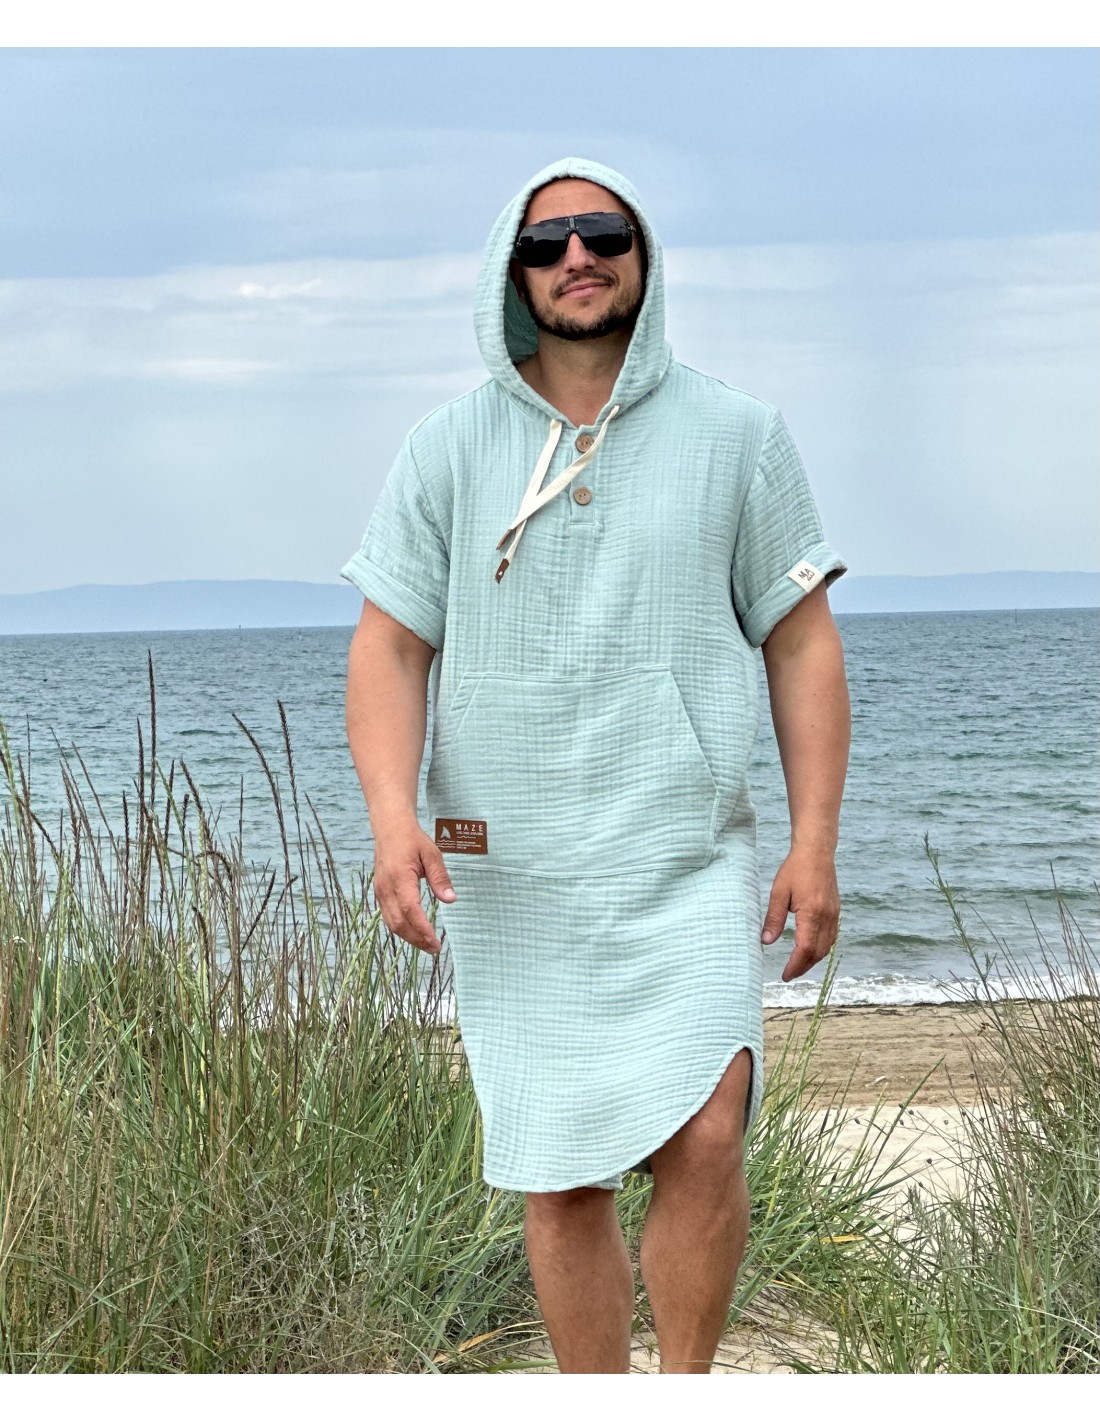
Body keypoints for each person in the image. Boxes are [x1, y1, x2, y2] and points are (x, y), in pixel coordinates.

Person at [342, 157, 850, 1373]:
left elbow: (799, 642)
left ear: (641, 255)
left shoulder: (738, 436)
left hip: (684, 853)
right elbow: (390, 646)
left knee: (708, 1134)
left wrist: (812, 841)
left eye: (602, 233)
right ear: (511, 275)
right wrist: (392, 821)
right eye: (547, 241)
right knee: (562, 1173)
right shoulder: (445, 448)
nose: (576, 256)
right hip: (509, 867)